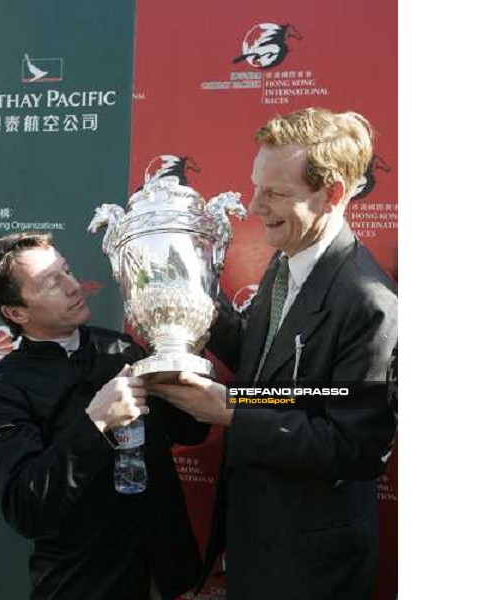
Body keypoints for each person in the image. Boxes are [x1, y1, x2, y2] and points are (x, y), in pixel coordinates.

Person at [149, 107, 398, 600]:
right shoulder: (288, 260)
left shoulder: (370, 305)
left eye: (276, 193)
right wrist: (197, 312)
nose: (254, 204)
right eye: (255, 185)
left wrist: (231, 412)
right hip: (253, 537)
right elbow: (270, 363)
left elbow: (354, 449)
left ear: (332, 195)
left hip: (310, 564)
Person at [0, 232, 209, 600]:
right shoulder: (6, 389)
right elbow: (26, 508)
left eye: (66, 270)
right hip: (83, 585)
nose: (72, 286)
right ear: (16, 312)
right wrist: (95, 423)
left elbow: (191, 433)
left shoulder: (121, 347)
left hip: (165, 574)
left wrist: (185, 374)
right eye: (51, 282)